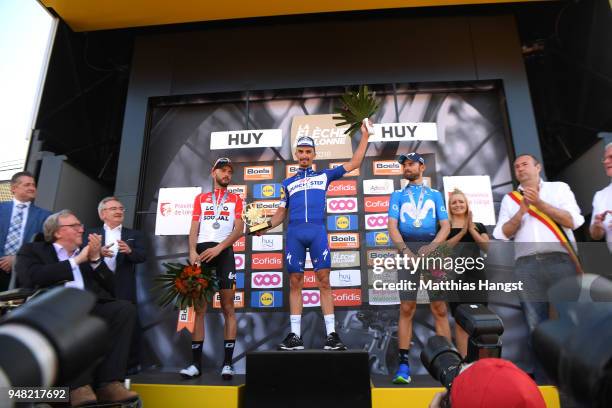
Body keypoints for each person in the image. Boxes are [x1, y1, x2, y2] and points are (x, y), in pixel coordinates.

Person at [264, 121, 370, 351]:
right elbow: (280, 214)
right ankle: (295, 336)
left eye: (308, 152)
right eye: (300, 152)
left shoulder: (324, 176)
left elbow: (354, 163)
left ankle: (332, 335)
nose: (304, 155)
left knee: (324, 281)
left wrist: (365, 136)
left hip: (317, 232)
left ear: (314, 155)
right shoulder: (287, 183)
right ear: (296, 154)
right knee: (295, 283)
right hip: (295, 233)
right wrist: (263, 226)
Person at [16, 210, 138, 407]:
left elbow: (111, 288)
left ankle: (109, 384)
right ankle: (77, 386)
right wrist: (76, 261)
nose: (82, 229)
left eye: (80, 225)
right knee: (74, 312)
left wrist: (97, 259)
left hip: (88, 306)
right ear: (57, 232)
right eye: (75, 226)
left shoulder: (86, 255)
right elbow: (33, 277)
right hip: (51, 310)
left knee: (123, 309)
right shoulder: (33, 250)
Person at [493, 154, 583, 381]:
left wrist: (539, 204)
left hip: (560, 260)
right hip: (526, 265)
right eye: (516, 166)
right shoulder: (510, 199)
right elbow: (501, 233)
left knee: (570, 320)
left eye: (524, 164)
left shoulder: (558, 188)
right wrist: (522, 210)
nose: (520, 169)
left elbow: (573, 221)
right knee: (536, 326)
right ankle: (544, 382)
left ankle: (576, 380)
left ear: (538, 167)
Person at [387, 152, 451, 384]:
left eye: (411, 164)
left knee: (439, 307)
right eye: (404, 164)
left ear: (421, 167)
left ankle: (448, 363)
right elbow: (392, 227)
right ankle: (403, 366)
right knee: (406, 307)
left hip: (432, 251)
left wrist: (432, 248)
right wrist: (406, 252)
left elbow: (445, 226)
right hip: (407, 251)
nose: (406, 167)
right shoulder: (397, 195)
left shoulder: (434, 195)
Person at [180, 157, 244, 380]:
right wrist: (191, 251)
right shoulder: (201, 199)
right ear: (213, 172)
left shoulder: (235, 199)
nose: (227, 174)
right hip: (201, 255)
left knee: (229, 308)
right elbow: (194, 227)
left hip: (224, 253)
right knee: (200, 310)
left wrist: (219, 248)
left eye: (229, 171)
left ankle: (227, 364)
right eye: (223, 170)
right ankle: (195, 365)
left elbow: (239, 230)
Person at [86, 196, 146, 374]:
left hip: (123, 287)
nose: (119, 211)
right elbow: (80, 256)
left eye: (121, 208)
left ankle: (129, 366)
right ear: (103, 213)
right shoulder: (90, 233)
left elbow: (142, 257)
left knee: (127, 327)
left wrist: (130, 251)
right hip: (96, 289)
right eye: (114, 208)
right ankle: (96, 367)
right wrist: (97, 253)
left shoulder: (134, 234)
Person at [445, 188, 489, 357]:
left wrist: (470, 230)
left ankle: (483, 363)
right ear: (449, 207)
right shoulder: (444, 227)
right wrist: (462, 232)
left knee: (481, 320)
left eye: (460, 201)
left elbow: (487, 247)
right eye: (454, 202)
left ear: (467, 205)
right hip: (454, 277)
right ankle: (465, 365)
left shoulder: (479, 226)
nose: (457, 205)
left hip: (476, 276)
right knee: (461, 321)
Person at [0, 171, 51, 291]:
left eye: (33, 185)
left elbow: (43, 246)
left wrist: (17, 259)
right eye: (27, 185)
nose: (32, 188)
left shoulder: (45, 216)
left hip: (24, 274)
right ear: (14, 188)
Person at [590, 141, 612, 253]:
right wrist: (597, 226)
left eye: (611, 157)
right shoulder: (600, 196)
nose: (606, 162)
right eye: (605, 158)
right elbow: (595, 236)